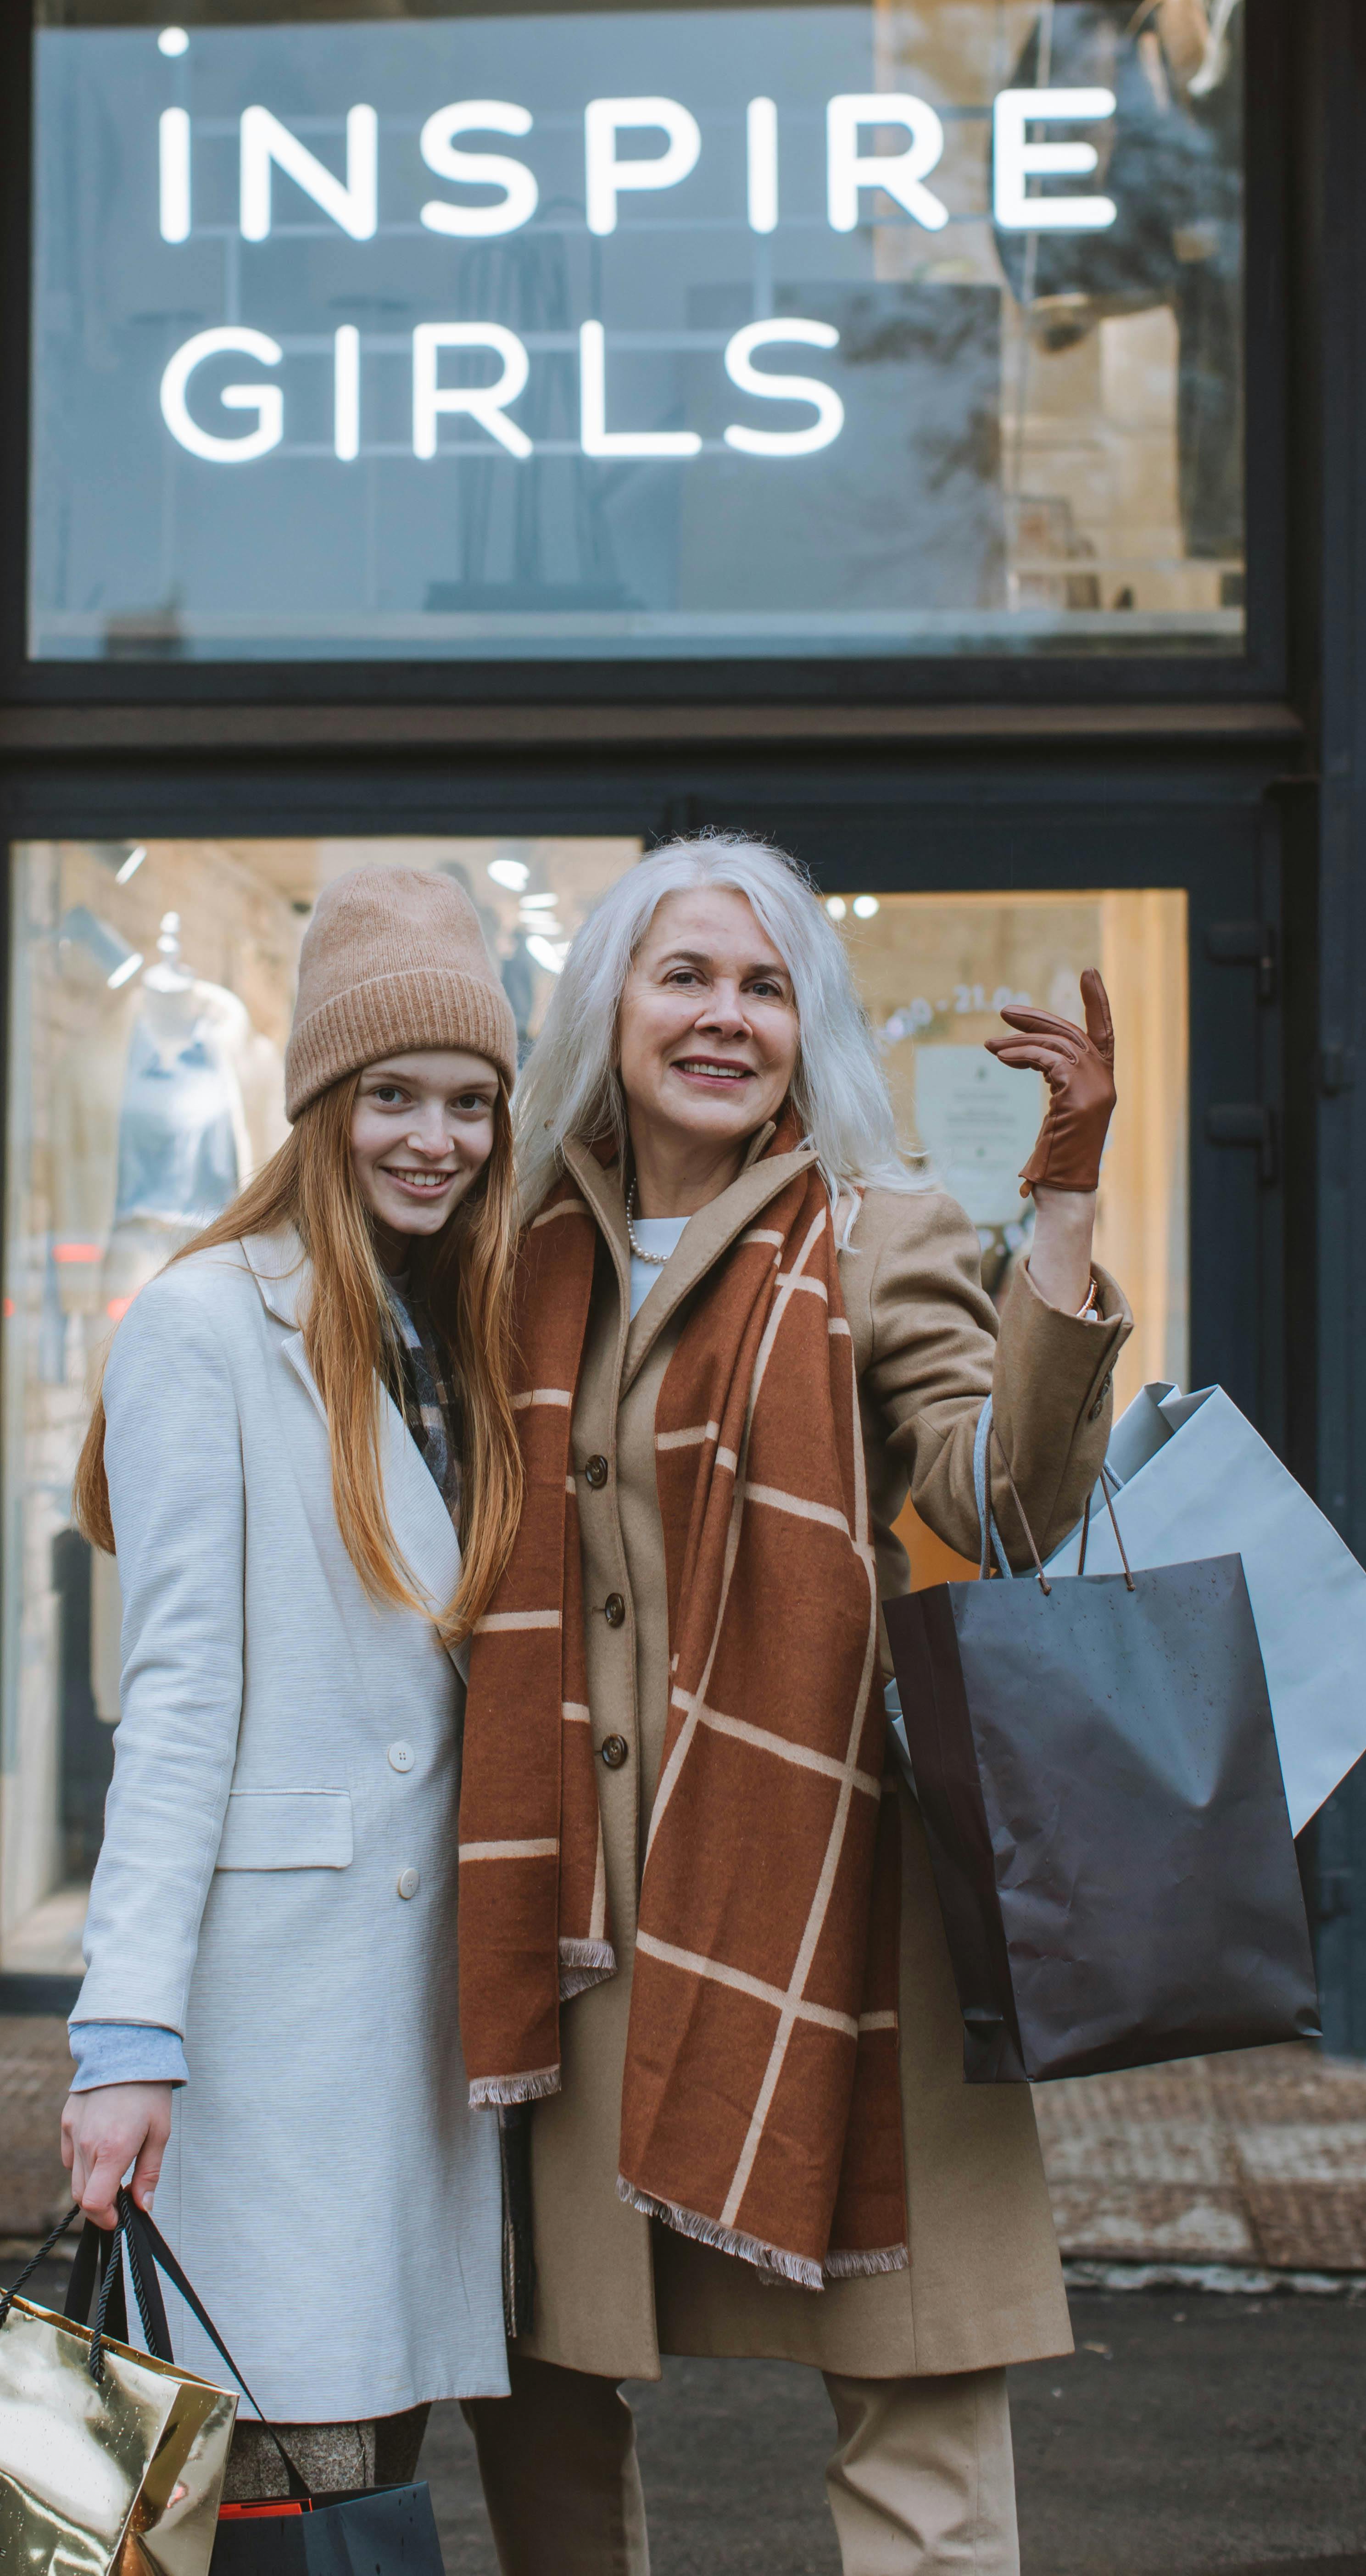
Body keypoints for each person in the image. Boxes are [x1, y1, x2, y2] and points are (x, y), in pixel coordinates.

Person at [457, 832, 1131, 2576]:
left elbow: (1003, 1507)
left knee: (917, 2399)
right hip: (576, 1923)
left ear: (804, 1028)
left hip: (829, 1903)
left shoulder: (883, 1229)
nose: (722, 1017)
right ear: (609, 1005)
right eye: (684, 975)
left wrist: (1058, 1218)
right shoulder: (513, 1255)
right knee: (544, 2393)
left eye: (765, 987)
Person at [60, 865, 523, 2501]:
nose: (435, 1138)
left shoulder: (470, 1327)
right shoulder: (205, 1323)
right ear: (320, 1102)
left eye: (471, 1101)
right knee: (283, 2461)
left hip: (424, 2012)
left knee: (364, 2467)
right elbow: (175, 1699)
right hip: (279, 2011)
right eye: (391, 1094)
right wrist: (124, 2038)